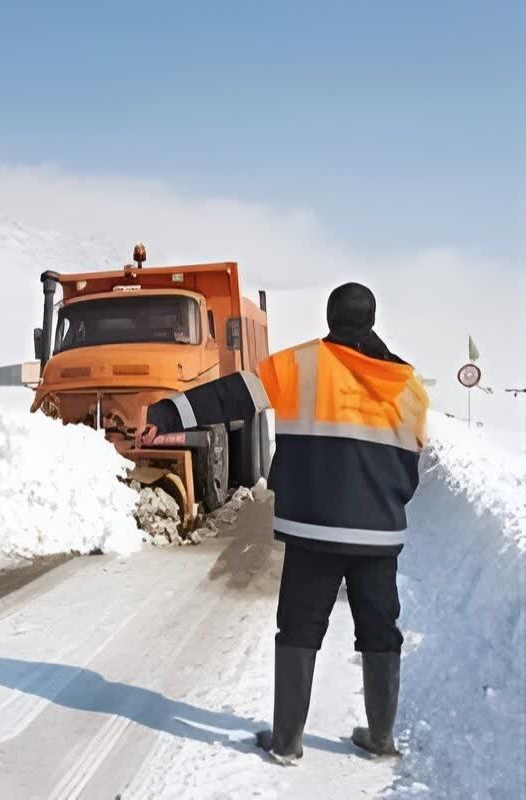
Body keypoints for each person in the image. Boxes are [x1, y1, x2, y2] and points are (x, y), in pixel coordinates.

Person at [143, 282, 429, 765]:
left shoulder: (301, 365)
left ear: (331, 317)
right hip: (380, 534)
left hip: (314, 530)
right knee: (381, 631)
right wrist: (385, 504)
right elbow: (410, 463)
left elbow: (231, 397)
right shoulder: (410, 386)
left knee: (299, 628)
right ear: (372, 320)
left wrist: (169, 411)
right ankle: (380, 740)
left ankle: (287, 743)